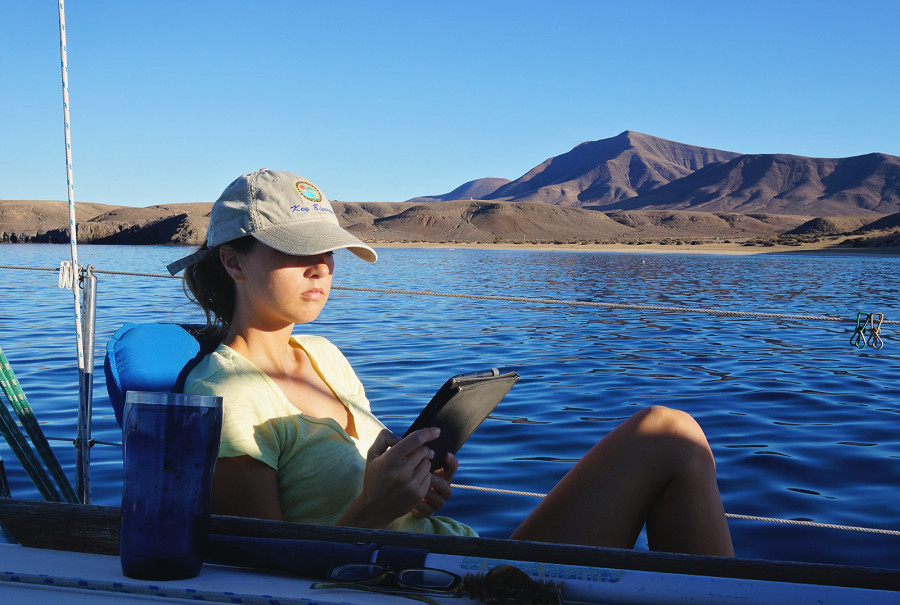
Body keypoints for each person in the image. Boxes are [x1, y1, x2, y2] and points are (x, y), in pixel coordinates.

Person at [168, 168, 734, 556]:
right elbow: (259, 572)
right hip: (404, 584)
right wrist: (373, 509)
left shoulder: (321, 356)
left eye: (327, 251)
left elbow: (378, 483)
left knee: (669, 431)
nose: (321, 268)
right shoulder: (222, 394)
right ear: (233, 263)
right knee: (664, 434)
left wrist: (415, 488)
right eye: (296, 252)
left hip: (452, 560)